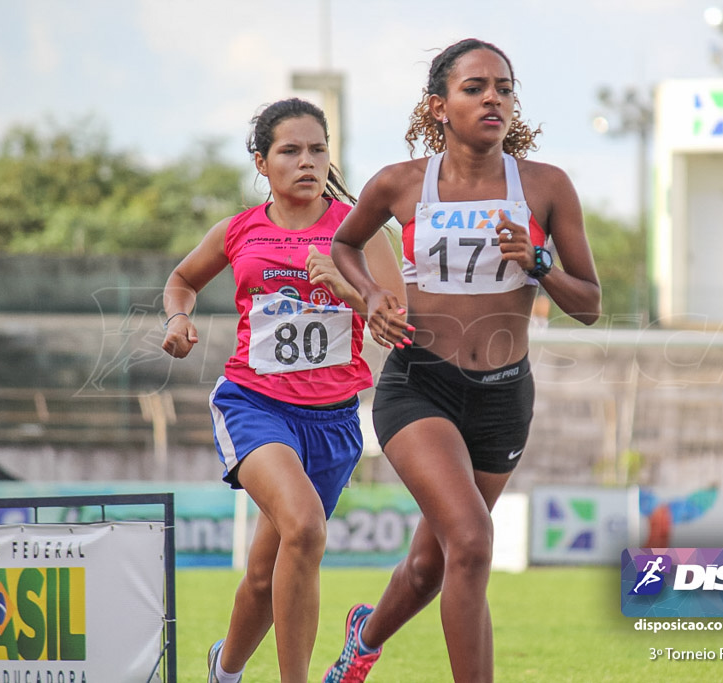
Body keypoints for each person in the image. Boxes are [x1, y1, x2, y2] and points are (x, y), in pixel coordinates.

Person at [322, 38, 601, 683]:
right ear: (439, 105)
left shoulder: (545, 186)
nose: (493, 98)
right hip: (422, 386)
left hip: (505, 397)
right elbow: (345, 245)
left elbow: (587, 304)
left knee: (431, 566)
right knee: (471, 545)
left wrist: (538, 262)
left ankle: (363, 641)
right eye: (474, 87)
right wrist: (373, 298)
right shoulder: (398, 183)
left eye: (503, 87)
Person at [161, 97, 404, 683]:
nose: (307, 162)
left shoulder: (362, 234)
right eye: (290, 151)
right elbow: (181, 280)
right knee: (305, 526)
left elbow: (398, 324)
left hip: (333, 421)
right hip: (254, 404)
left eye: (317, 149)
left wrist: (349, 291)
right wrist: (176, 318)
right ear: (261, 163)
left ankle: (225, 669)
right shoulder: (239, 229)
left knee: (268, 572)